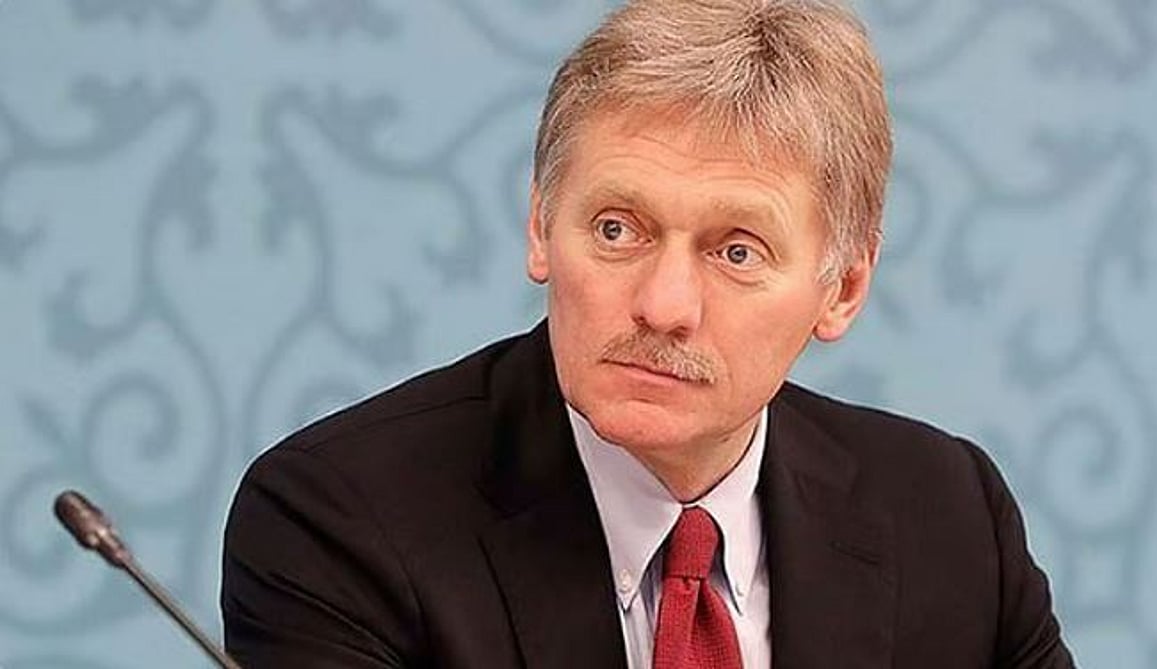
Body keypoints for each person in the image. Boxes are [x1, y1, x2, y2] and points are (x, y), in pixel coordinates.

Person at [221, 0, 1075, 667]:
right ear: (540, 226)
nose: (664, 306)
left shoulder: (950, 516)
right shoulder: (340, 520)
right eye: (618, 229)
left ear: (843, 287)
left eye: (736, 251)